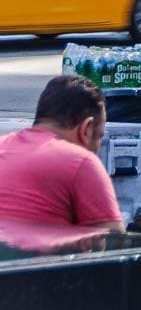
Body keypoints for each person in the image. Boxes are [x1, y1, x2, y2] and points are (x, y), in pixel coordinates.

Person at [0, 75, 123, 252]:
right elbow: (115, 247)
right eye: (99, 136)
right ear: (86, 128)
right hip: (35, 276)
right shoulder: (81, 162)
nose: (98, 146)